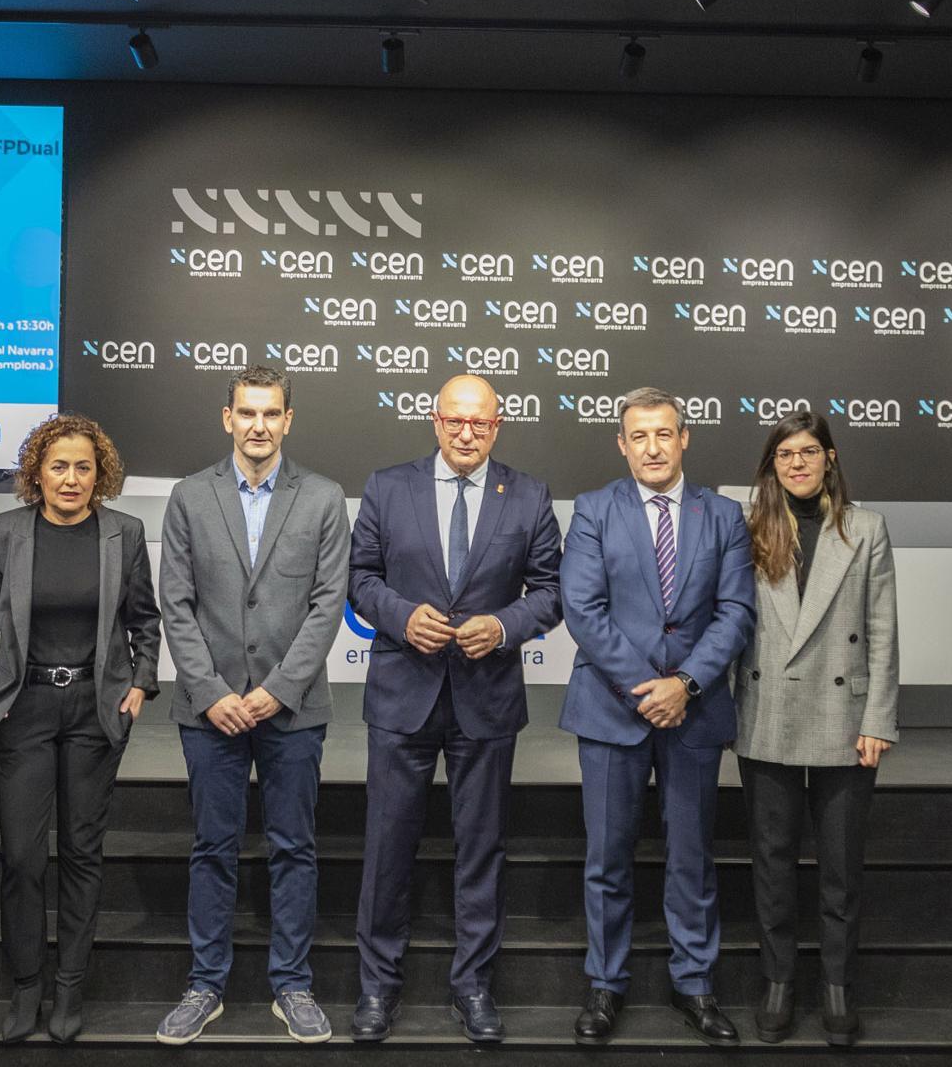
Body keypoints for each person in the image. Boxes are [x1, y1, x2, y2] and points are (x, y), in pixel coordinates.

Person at [347, 373, 563, 1044]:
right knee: (387, 849)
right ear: (435, 421)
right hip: (402, 695)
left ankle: (473, 986)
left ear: (498, 426)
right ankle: (377, 989)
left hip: (486, 699)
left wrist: (504, 626)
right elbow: (360, 579)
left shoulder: (528, 495)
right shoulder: (388, 486)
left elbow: (552, 590)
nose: (467, 433)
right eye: (456, 420)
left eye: (482, 423)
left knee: (481, 850)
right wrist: (401, 616)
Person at [153, 366, 350, 1045]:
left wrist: (272, 692)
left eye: (271, 414)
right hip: (209, 713)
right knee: (213, 847)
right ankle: (204, 985)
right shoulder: (188, 496)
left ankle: (291, 986)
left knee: (294, 847)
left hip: (291, 710)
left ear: (288, 420)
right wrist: (211, 694)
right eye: (247, 413)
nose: (259, 425)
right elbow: (174, 605)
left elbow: (327, 608)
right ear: (227, 418)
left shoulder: (323, 499)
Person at [559, 386, 753, 1048]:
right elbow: (583, 610)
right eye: (638, 435)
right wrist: (651, 686)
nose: (651, 447)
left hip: (694, 713)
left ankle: (694, 982)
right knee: (607, 858)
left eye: (663, 434)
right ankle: (605, 984)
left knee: (692, 857)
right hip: (614, 709)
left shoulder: (723, 515)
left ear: (684, 438)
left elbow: (736, 612)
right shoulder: (593, 510)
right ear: (622, 443)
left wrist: (687, 684)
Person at [0, 413, 160, 1043]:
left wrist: (140, 685)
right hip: (24, 709)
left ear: (99, 475)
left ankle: (70, 988)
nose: (70, 479)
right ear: (36, 474)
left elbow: (145, 622)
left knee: (81, 852)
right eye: (58, 466)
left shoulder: (123, 534)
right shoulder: (5, 531)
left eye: (83, 467)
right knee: (21, 856)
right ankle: (26, 987)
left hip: (95, 713)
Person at [735, 410, 898, 1047]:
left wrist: (879, 715)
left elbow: (882, 629)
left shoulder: (867, 529)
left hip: (845, 718)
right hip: (766, 709)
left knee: (840, 867)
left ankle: (837, 986)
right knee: (772, 861)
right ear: (771, 466)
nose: (797, 463)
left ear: (830, 457)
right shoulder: (750, 528)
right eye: (785, 455)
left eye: (809, 452)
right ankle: (778, 982)